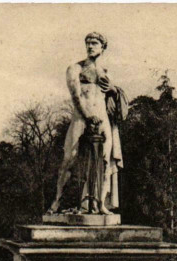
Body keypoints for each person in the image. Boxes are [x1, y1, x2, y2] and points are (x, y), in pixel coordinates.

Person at [47, 32, 126, 215]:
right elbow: (76, 96)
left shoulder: (106, 72)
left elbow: (113, 101)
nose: (90, 46)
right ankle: (56, 202)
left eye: (95, 43)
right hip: (81, 118)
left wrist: (114, 89)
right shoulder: (75, 68)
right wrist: (88, 116)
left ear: (102, 47)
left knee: (105, 160)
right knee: (70, 158)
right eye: (88, 43)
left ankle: (100, 204)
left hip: (103, 119)